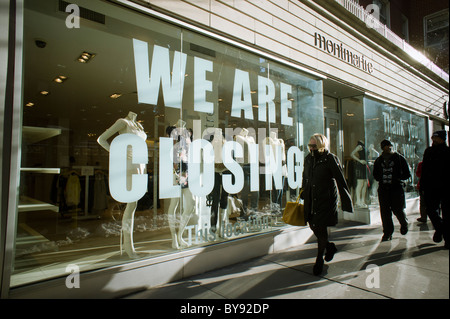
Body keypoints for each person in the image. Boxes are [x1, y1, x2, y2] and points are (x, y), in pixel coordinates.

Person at [300, 133, 353, 276]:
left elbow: (340, 179)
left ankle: (319, 260)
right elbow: (306, 177)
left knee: (321, 229)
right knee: (313, 225)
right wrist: (303, 191)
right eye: (309, 145)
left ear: (321, 145)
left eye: (314, 146)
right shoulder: (308, 159)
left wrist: (346, 201)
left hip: (326, 200)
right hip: (311, 199)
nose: (311, 148)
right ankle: (329, 247)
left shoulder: (330, 158)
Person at [97, 111, 147, 258]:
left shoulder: (139, 126)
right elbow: (101, 139)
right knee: (131, 205)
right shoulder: (123, 123)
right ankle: (128, 246)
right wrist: (118, 153)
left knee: (134, 205)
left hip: (140, 165)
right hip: (129, 166)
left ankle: (129, 245)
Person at [373, 139, 411, 241]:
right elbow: (375, 174)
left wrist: (397, 178)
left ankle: (404, 223)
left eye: (388, 146)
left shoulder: (399, 158)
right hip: (383, 189)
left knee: (398, 209)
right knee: (385, 212)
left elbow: (407, 174)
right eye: (385, 146)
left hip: (396, 188)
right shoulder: (379, 160)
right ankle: (387, 232)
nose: (387, 148)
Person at [419, 130, 449, 249]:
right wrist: (422, 186)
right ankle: (440, 229)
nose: (434, 140)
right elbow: (424, 170)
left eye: (436, 138)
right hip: (431, 187)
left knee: (447, 215)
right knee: (431, 211)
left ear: (443, 139)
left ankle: (447, 240)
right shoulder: (429, 151)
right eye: (433, 138)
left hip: (446, 188)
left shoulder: (447, 152)